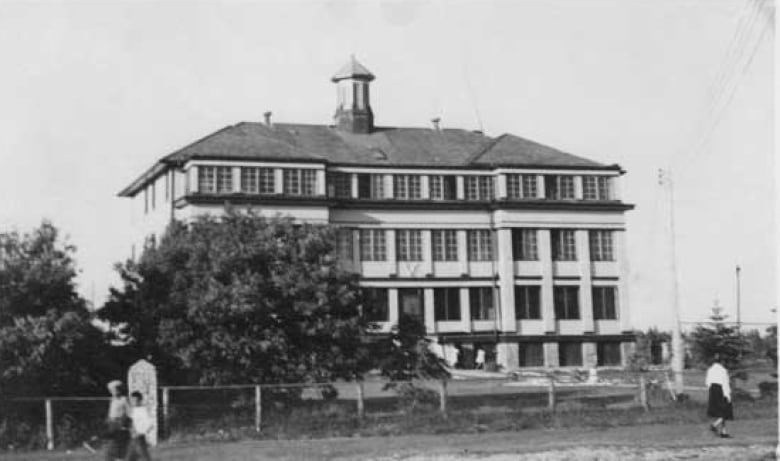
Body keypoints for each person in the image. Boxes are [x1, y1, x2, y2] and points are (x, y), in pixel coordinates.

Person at [705, 354, 733, 438]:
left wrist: (711, 390)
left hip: (712, 390)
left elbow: (707, 382)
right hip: (720, 390)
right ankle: (714, 425)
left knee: (718, 411)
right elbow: (725, 383)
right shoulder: (723, 370)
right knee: (725, 411)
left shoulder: (710, 369)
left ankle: (723, 431)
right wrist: (727, 394)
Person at [105, 380, 131, 460]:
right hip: (112, 425)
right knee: (111, 446)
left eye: (113, 390)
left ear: (119, 390)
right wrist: (108, 420)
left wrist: (124, 422)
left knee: (119, 446)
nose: (112, 392)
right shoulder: (112, 400)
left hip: (120, 425)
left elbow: (129, 412)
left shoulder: (124, 399)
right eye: (111, 390)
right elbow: (111, 412)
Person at [125, 391, 154, 461]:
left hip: (139, 439)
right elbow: (131, 422)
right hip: (132, 439)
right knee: (129, 458)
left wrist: (141, 432)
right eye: (132, 400)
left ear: (140, 400)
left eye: (136, 400)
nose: (134, 402)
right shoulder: (133, 410)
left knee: (145, 457)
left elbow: (150, 424)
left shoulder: (143, 410)